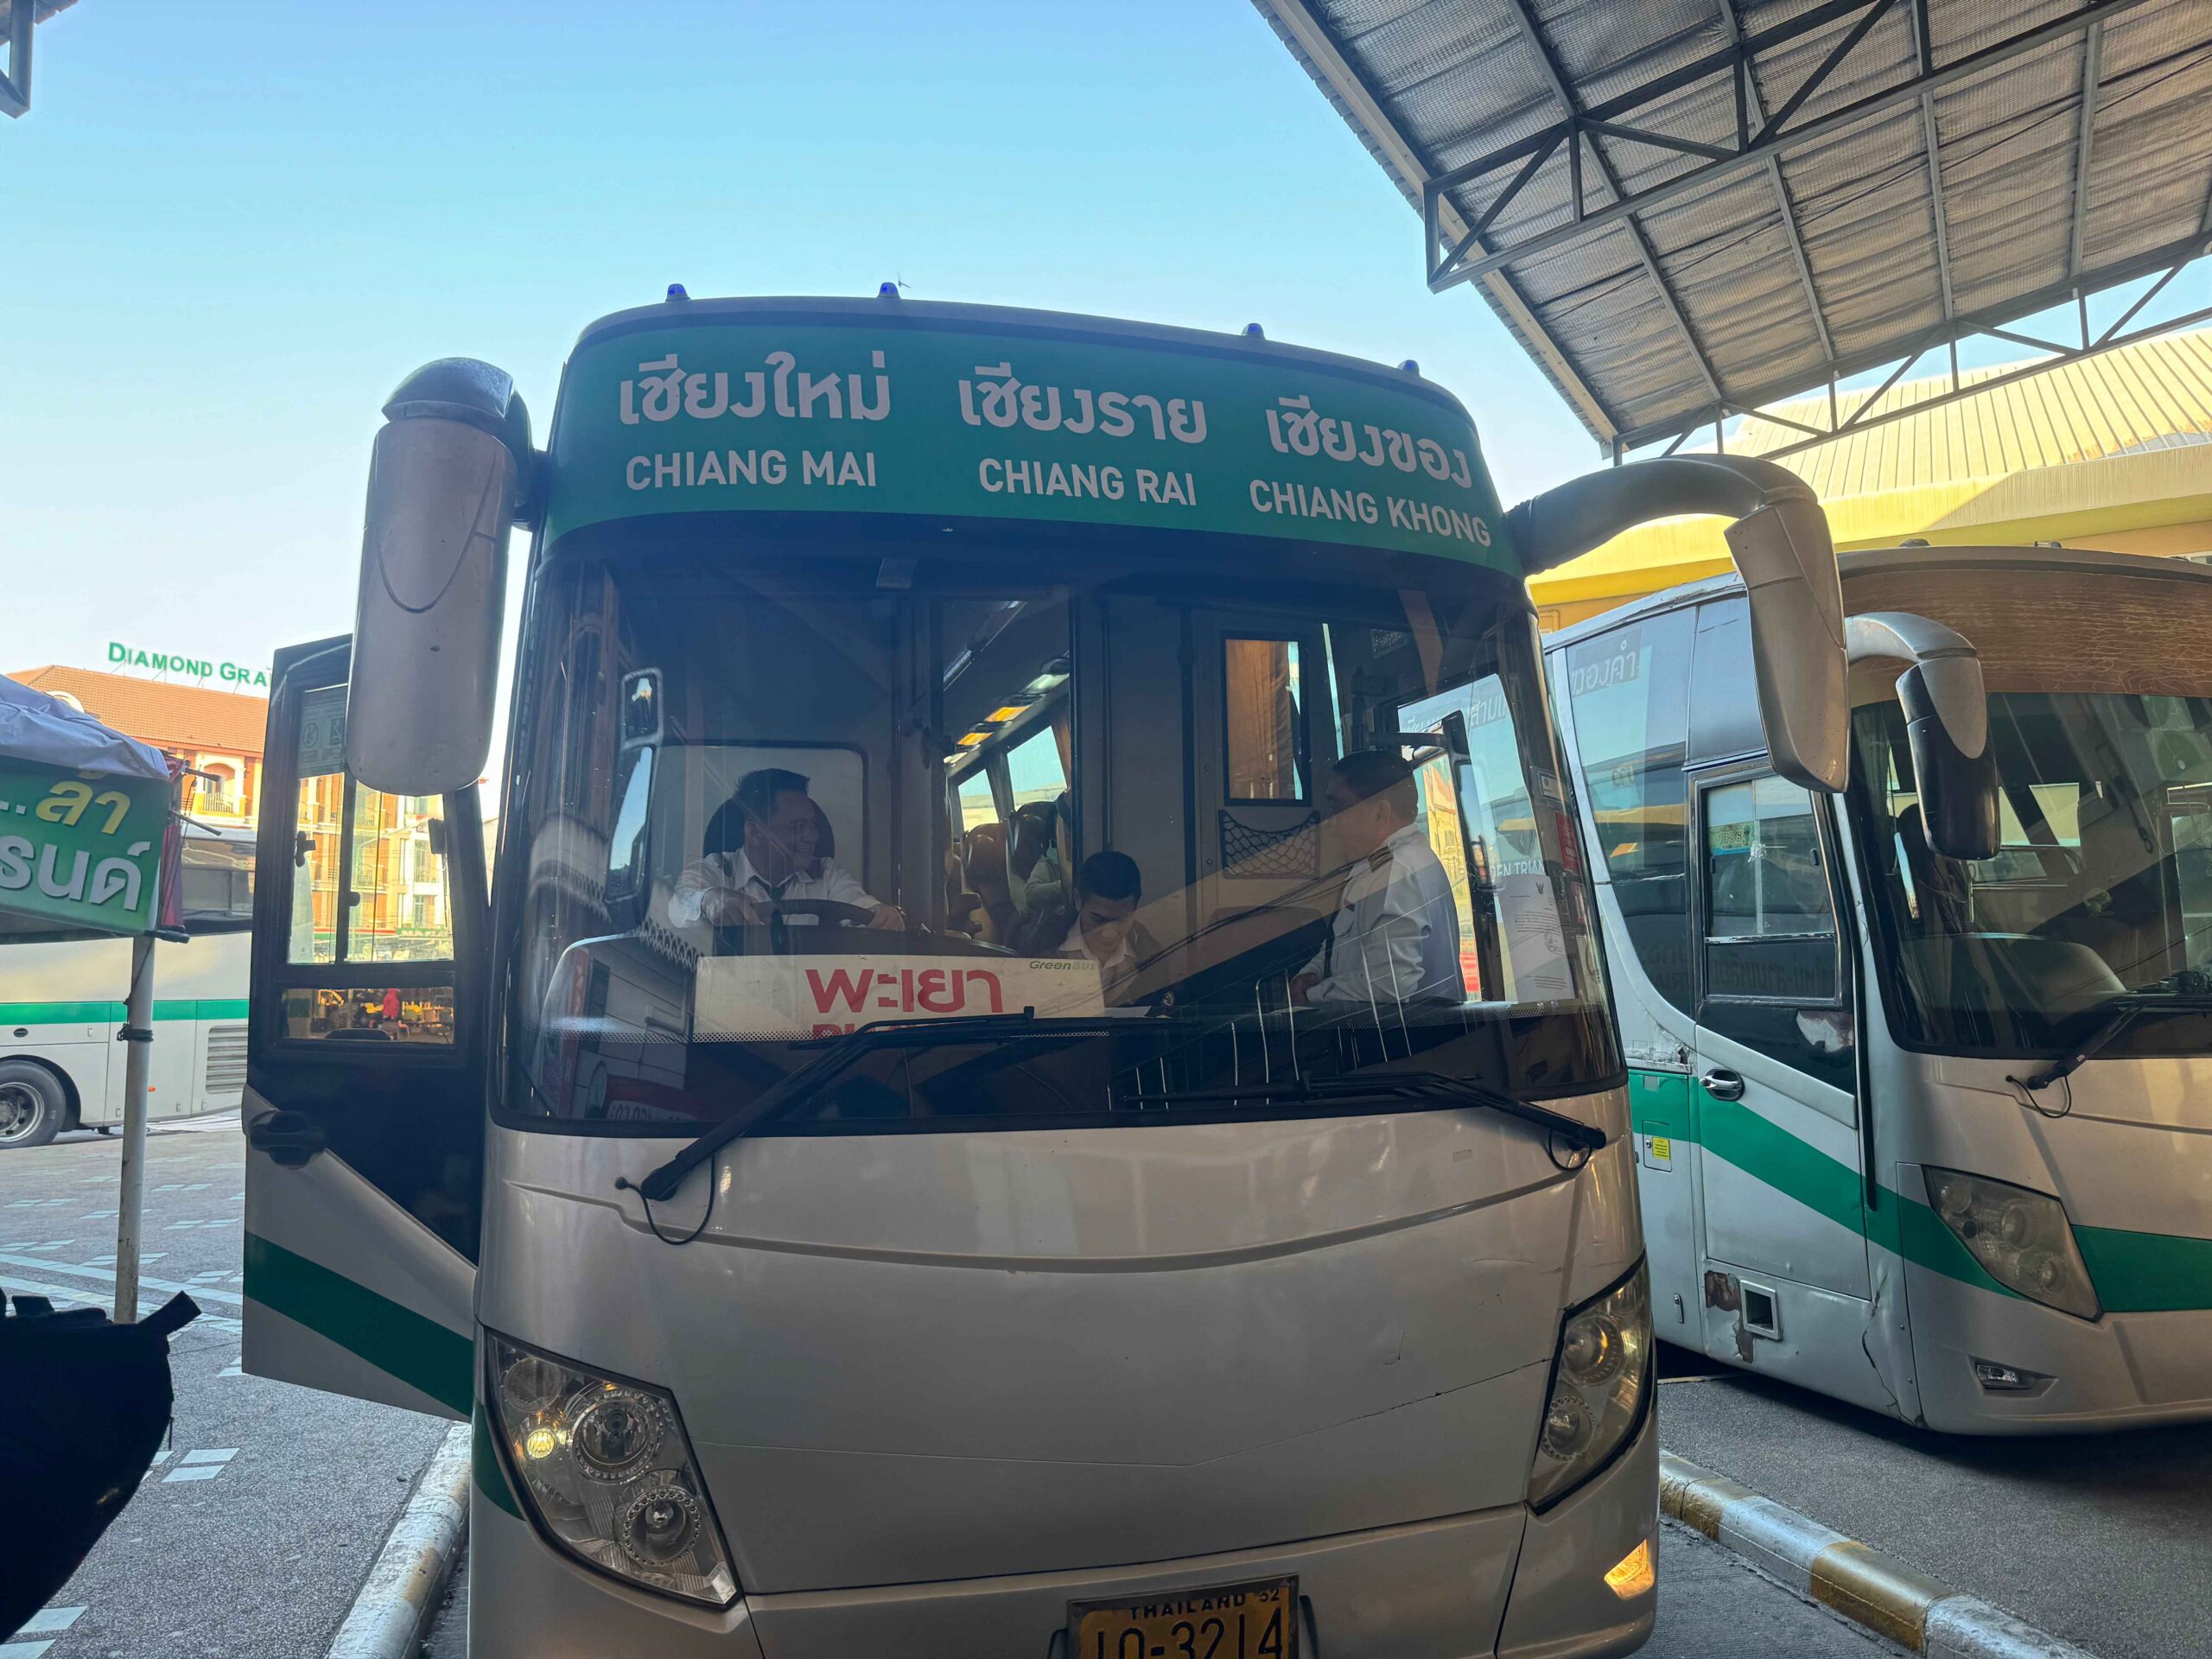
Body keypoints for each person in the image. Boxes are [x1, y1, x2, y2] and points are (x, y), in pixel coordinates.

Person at [1292, 749, 1464, 1007]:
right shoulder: (1380, 865)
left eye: (1337, 807)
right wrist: (1313, 972)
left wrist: (1311, 996)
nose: (1330, 822)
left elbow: (1388, 987)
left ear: (1380, 813)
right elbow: (1347, 943)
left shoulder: (1397, 872)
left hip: (1405, 1042)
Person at [668, 767, 905, 931]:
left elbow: (860, 906)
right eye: (796, 827)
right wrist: (708, 899)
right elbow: (679, 903)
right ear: (755, 832)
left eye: (812, 825)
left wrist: (882, 915)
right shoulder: (718, 869)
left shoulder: (825, 873)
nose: (811, 837)